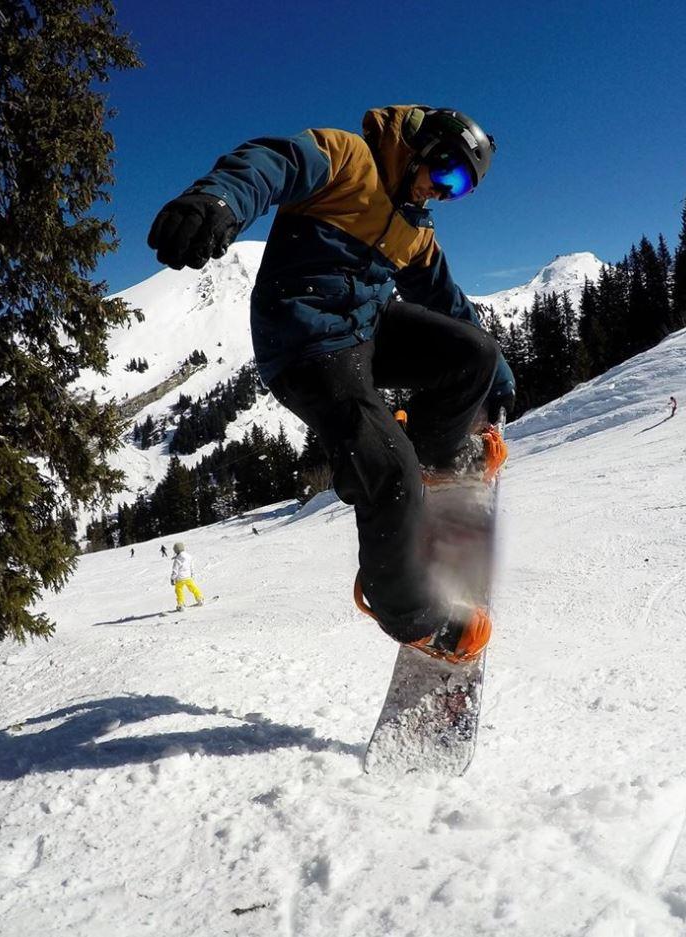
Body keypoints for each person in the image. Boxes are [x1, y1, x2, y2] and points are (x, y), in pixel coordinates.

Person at [148, 106, 514, 663]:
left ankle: (437, 462)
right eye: (449, 176)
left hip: (364, 332)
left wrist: (498, 370)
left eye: (460, 190)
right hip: (303, 343)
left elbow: (445, 299)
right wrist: (217, 201)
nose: (444, 193)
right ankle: (406, 611)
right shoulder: (346, 158)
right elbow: (270, 163)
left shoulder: (415, 227)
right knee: (388, 471)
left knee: (473, 353)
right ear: (424, 147)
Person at [170, 542, 203, 611]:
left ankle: (181, 604)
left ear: (176, 550)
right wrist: (192, 575)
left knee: (179, 591)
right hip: (188, 577)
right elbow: (191, 567)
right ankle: (199, 598)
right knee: (193, 588)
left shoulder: (177, 560)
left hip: (179, 579)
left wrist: (172, 579)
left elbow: (175, 571)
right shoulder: (189, 557)